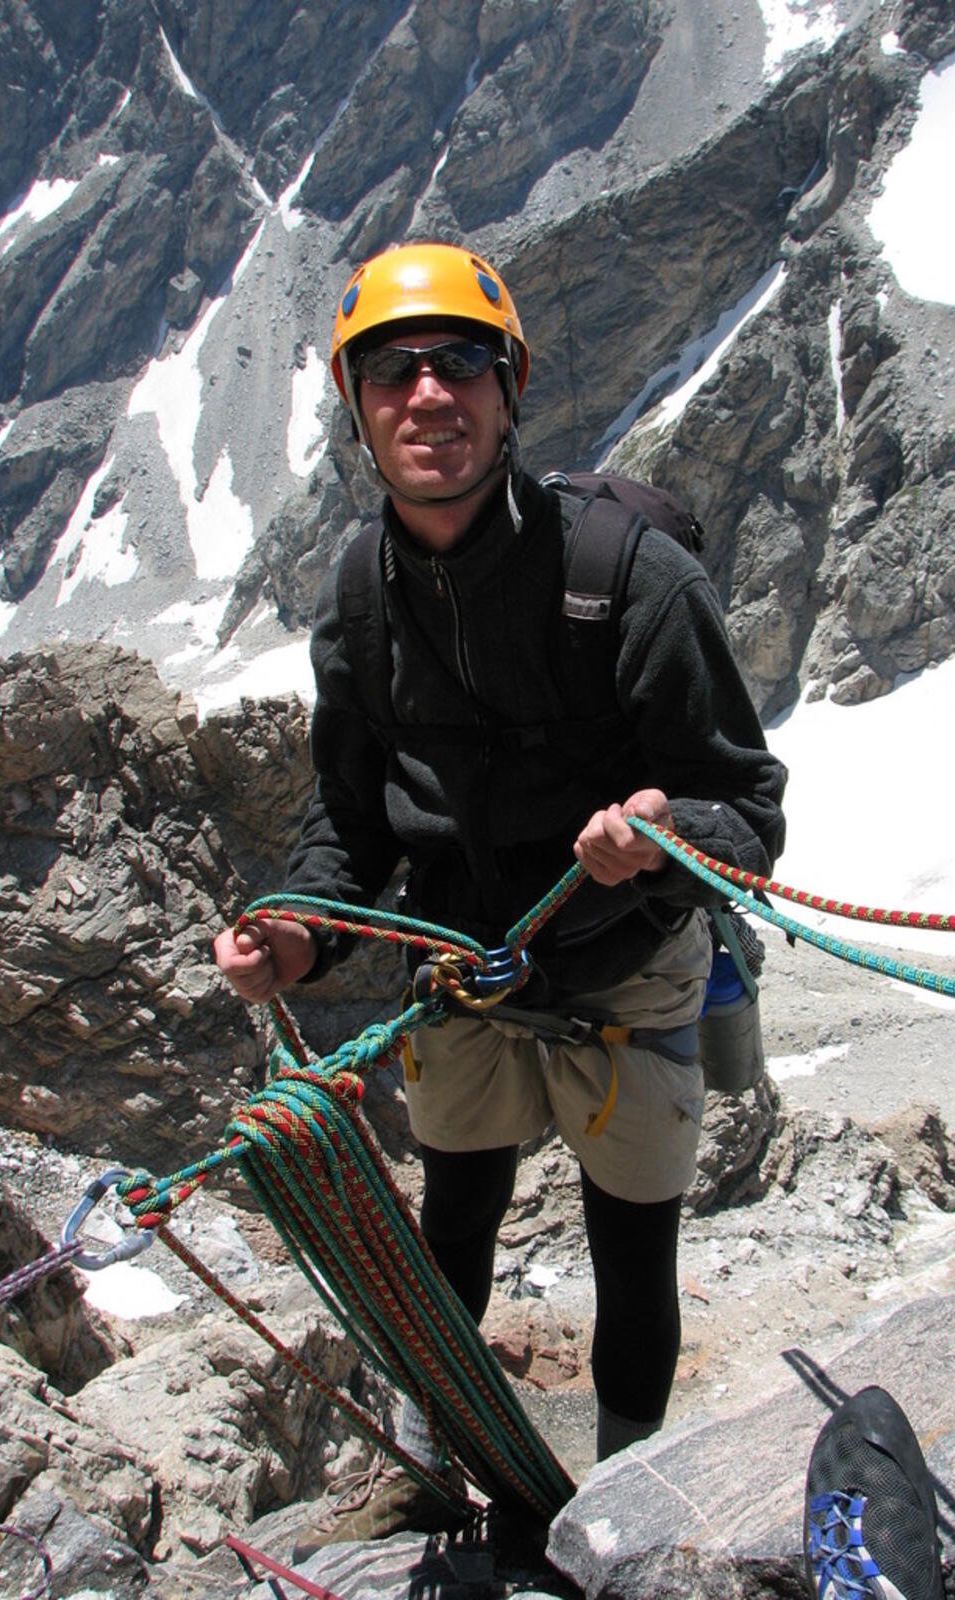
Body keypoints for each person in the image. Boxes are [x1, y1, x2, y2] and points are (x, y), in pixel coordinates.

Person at [213, 241, 787, 1548]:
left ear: (510, 387)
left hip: (626, 964)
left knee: (632, 1250)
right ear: (358, 409)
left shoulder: (633, 578)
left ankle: (633, 1502)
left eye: (462, 360)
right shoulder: (361, 604)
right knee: (454, 1218)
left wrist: (665, 832)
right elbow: (348, 827)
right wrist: (297, 939)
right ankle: (430, 1468)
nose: (431, 393)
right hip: (467, 963)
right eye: (394, 371)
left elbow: (746, 809)